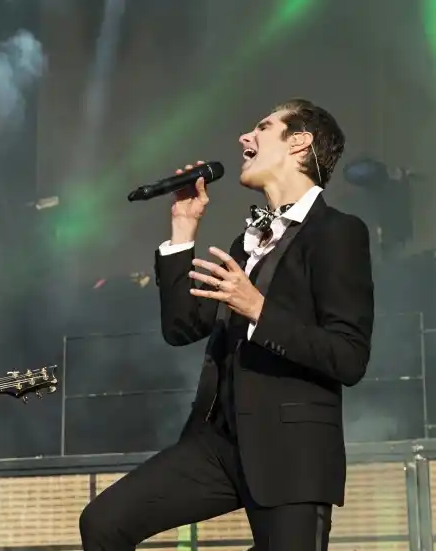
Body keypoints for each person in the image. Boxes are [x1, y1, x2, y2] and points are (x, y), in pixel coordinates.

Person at [79, 99, 374, 550]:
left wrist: (258, 309)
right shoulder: (248, 241)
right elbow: (181, 327)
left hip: (291, 454)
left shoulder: (337, 232)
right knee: (104, 522)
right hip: (218, 443)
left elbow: (349, 357)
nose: (244, 137)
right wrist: (184, 228)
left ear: (299, 142)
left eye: (263, 127)